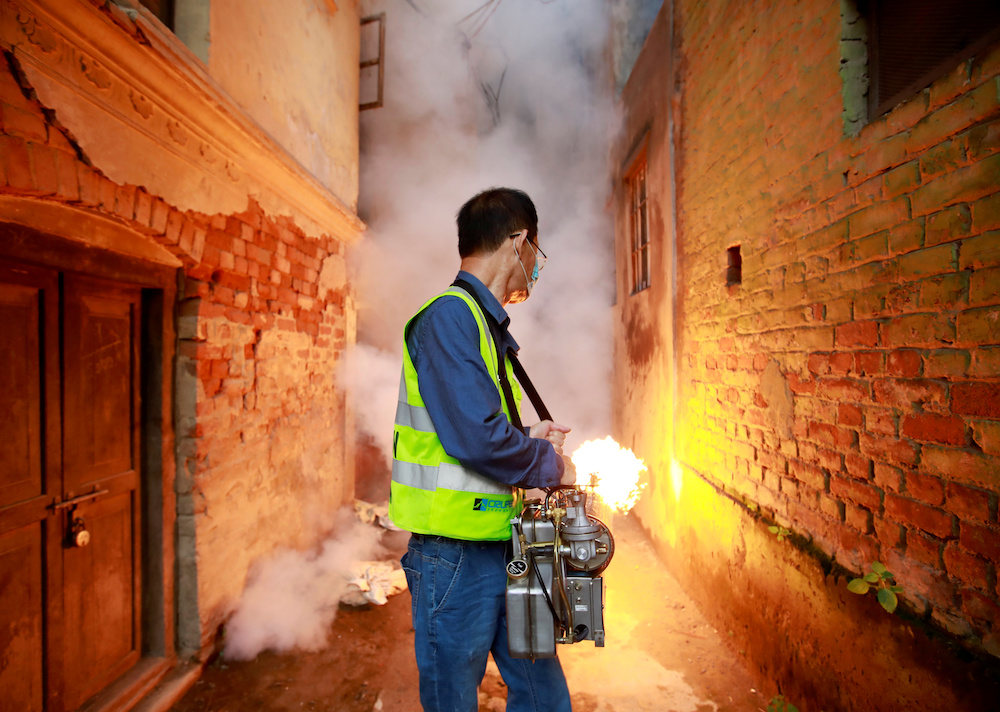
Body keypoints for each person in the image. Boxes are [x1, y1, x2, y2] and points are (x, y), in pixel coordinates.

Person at [390, 187, 576, 712]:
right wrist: (550, 464)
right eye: (535, 253)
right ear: (518, 242)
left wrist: (527, 441)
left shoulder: (480, 322)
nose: (536, 268)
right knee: (454, 700)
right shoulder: (451, 318)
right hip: (455, 556)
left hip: (505, 544)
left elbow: (483, 427)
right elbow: (475, 438)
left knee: (544, 695)